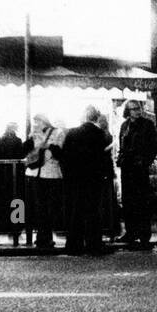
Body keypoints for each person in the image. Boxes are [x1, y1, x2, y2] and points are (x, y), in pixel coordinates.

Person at [61, 106, 114, 256]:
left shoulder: (72, 132)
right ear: (96, 118)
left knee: (76, 211)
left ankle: (73, 245)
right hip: (93, 178)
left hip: (75, 179)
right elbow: (102, 157)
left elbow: (65, 156)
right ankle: (94, 245)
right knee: (93, 212)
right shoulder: (99, 134)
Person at [117, 99, 157, 250]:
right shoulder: (124, 126)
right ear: (128, 111)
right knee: (128, 201)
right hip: (127, 167)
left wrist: (145, 161)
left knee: (141, 201)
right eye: (133, 109)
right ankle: (131, 232)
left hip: (139, 168)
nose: (136, 111)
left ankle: (144, 235)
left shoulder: (147, 125)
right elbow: (122, 144)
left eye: (138, 108)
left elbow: (154, 146)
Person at [23, 113, 65, 251]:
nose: (36, 124)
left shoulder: (58, 133)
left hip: (51, 173)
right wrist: (30, 139)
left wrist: (47, 145)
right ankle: (42, 238)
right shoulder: (33, 133)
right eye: (35, 122)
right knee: (39, 207)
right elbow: (24, 150)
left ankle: (46, 237)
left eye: (38, 121)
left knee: (49, 207)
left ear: (45, 121)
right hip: (35, 173)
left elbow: (60, 153)